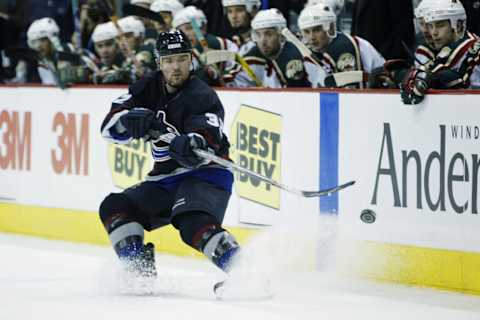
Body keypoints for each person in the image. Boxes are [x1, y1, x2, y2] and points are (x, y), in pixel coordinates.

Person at [99, 30, 240, 291]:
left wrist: (190, 142)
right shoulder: (147, 86)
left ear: (191, 61)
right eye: (169, 60)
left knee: (192, 223)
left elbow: (205, 137)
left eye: (182, 59)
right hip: (165, 179)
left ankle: (245, 273)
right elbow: (108, 127)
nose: (176, 66)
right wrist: (128, 120)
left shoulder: (201, 95)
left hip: (206, 173)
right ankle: (139, 271)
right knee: (114, 207)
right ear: (159, 63)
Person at [400, 0, 480, 104]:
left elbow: (462, 80)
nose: (433, 32)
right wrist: (396, 75)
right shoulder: (445, 50)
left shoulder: (474, 48)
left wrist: (431, 79)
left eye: (440, 25)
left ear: (458, 25)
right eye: (430, 26)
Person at [225, 8, 326, 88]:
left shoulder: (293, 56)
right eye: (258, 35)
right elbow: (233, 83)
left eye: (268, 34)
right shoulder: (255, 53)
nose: (262, 41)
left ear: (281, 36)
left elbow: (297, 99)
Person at [297, 3, 385, 88]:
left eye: (316, 30)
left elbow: (353, 95)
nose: (312, 37)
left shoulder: (344, 46)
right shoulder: (311, 51)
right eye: (307, 32)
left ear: (330, 28)